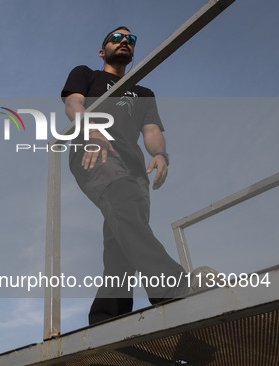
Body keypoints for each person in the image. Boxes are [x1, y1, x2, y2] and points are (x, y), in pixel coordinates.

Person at [61, 26, 187, 325]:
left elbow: (152, 130)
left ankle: (107, 318)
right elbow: (73, 103)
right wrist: (90, 131)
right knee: (127, 215)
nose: (124, 42)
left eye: (131, 39)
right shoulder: (87, 73)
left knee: (122, 237)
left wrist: (160, 154)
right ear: (103, 50)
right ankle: (176, 291)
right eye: (116, 38)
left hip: (134, 169)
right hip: (95, 152)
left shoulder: (143, 93)